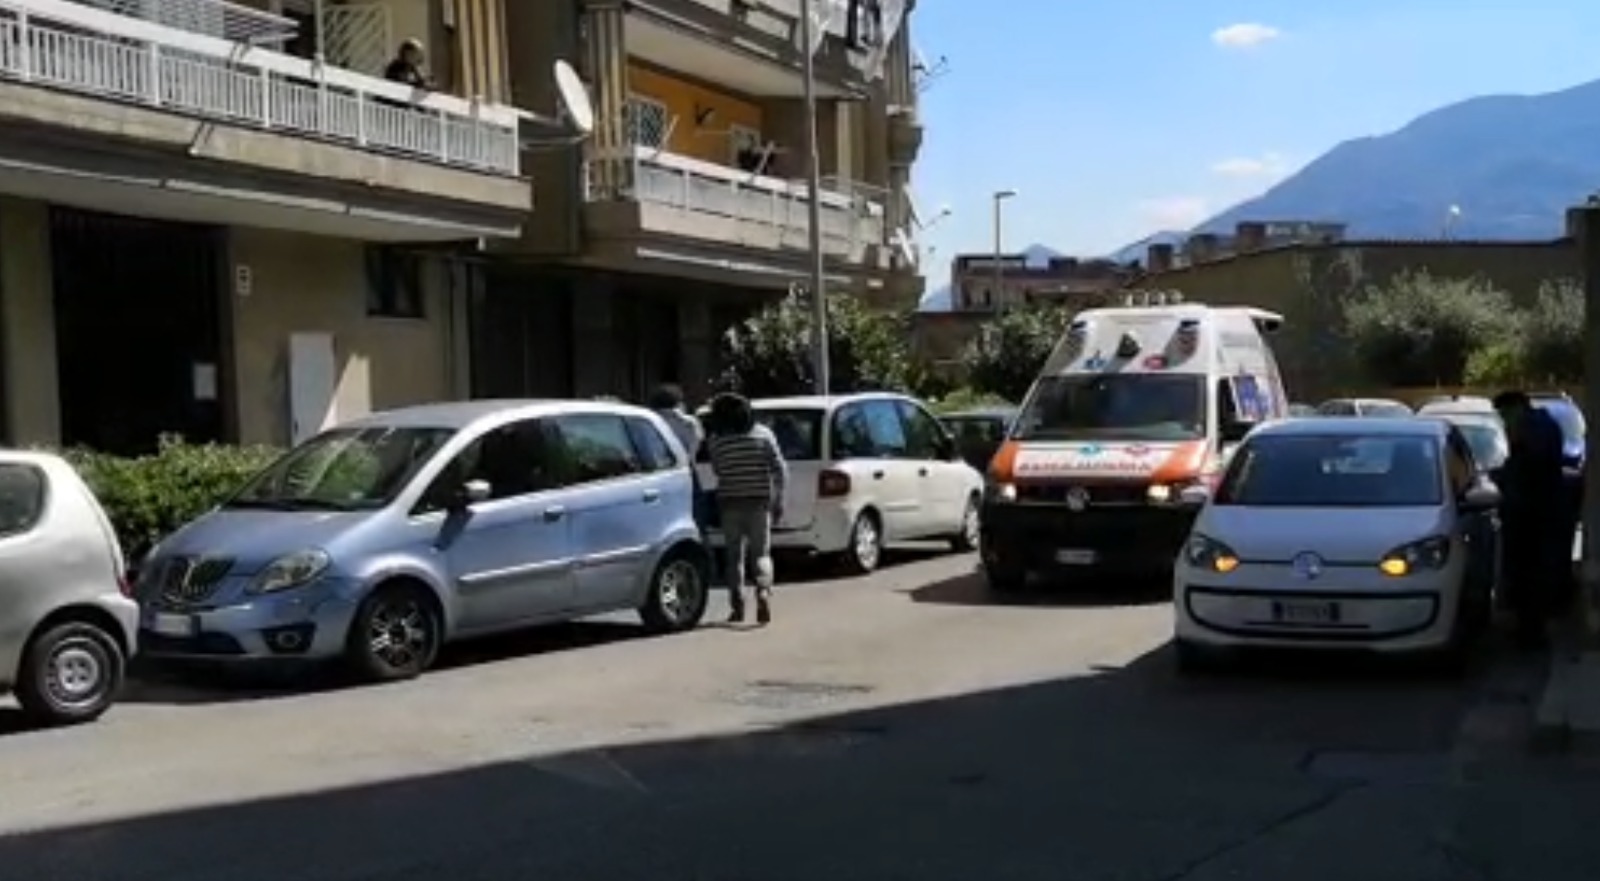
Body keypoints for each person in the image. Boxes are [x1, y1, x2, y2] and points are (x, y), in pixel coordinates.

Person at [1493, 390, 1568, 648]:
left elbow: (1531, 468)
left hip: (1534, 514)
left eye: (1505, 414)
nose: (1503, 421)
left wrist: (1504, 478)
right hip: (1533, 512)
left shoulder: (1534, 429)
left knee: (1530, 574)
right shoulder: (1540, 426)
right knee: (1531, 574)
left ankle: (1531, 632)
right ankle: (1529, 627)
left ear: (1517, 408)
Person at [703, 393, 787, 625]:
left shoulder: (717, 441)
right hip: (759, 502)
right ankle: (762, 590)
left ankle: (737, 604)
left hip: (729, 502)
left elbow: (718, 470)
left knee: (734, 556)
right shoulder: (763, 435)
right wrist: (779, 498)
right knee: (761, 553)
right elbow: (779, 468)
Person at [647, 384, 702, 462]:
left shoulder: (647, 421)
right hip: (686, 466)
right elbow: (697, 443)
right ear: (678, 402)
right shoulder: (689, 422)